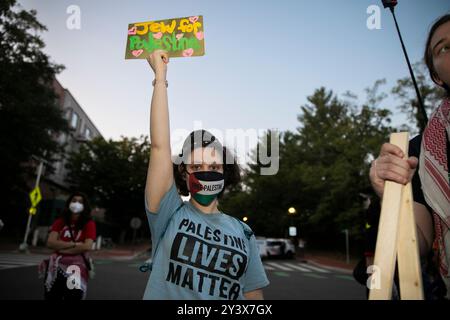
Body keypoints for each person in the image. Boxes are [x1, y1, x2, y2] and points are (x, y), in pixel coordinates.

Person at [143, 49, 269, 300]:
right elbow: (159, 147)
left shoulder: (243, 232)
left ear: (225, 172)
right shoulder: (169, 213)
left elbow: (253, 293)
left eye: (214, 168)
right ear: (183, 172)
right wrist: (160, 77)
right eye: (197, 167)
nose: (206, 174)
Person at [365, 13, 450, 300]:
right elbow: (416, 245)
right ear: (437, 75)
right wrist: (389, 196)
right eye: (444, 47)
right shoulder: (416, 152)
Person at [41, 192, 96, 300]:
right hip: (55, 267)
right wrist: (75, 245)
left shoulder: (89, 224)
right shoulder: (60, 221)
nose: (76, 203)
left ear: (85, 206)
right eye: (74, 200)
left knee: (72, 296)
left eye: (80, 202)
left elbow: (87, 246)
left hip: (76, 268)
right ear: (69, 203)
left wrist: (61, 248)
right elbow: (50, 243)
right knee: (51, 296)